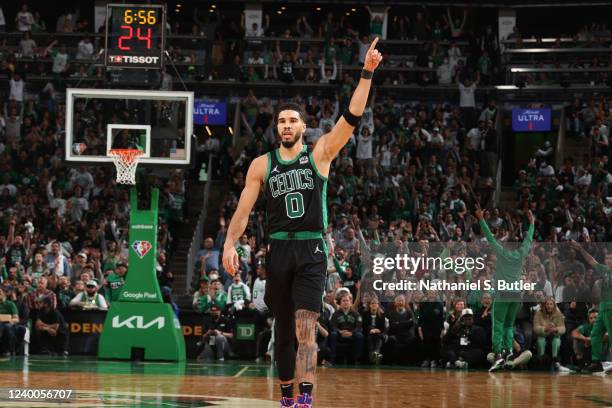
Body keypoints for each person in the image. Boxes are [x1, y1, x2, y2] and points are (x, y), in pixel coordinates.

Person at [222, 38, 382, 408]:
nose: (286, 125)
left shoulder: (321, 153)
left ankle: (306, 399)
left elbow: (352, 117)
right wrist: (230, 244)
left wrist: (366, 73)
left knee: (306, 328)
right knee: (283, 332)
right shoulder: (261, 164)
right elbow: (243, 211)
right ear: (276, 128)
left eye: (293, 120)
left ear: (304, 127)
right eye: (281, 121)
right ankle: (285, 397)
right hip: (278, 248)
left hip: (311, 248)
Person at [476, 205, 534, 372]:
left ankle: (498, 354)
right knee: (509, 325)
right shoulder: (521, 253)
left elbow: (490, 238)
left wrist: (481, 220)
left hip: (503, 292)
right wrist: (532, 224)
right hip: (516, 294)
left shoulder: (501, 252)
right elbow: (528, 240)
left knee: (498, 324)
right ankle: (508, 352)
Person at [569, 241, 612, 373]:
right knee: (595, 334)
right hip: (602, 308)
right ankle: (596, 362)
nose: (609, 261)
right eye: (607, 258)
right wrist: (581, 249)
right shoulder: (604, 270)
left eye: (611, 259)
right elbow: (591, 261)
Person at [329, 292, 364, 364]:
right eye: (343, 301)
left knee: (360, 335)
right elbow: (333, 326)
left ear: (350, 302)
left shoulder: (356, 314)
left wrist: (352, 333)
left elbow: (359, 327)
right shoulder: (336, 313)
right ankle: (332, 359)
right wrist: (340, 332)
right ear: (340, 303)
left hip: (352, 335)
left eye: (347, 301)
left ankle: (357, 359)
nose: (345, 302)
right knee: (333, 334)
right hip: (340, 335)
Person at [533, 296, 566, 369]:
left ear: (554, 305)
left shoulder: (558, 314)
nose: (549, 306)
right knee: (540, 340)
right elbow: (535, 328)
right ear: (544, 305)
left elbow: (563, 328)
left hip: (554, 335)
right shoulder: (538, 314)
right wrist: (545, 328)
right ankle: (541, 359)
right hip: (543, 335)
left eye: (551, 304)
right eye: (547, 304)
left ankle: (555, 359)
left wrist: (556, 329)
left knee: (556, 340)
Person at [0, 287, 19, 356]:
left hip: (8, 324)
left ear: (4, 294)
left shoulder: (10, 304)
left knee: (6, 326)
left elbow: (16, 319)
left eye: (0, 292)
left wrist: (8, 319)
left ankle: (6, 350)